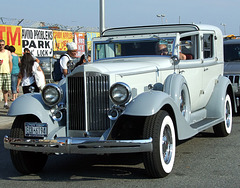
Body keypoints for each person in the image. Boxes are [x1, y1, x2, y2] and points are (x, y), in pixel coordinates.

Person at [0, 39, 12, 109]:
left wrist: (10, 71)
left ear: (4, 45)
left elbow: (10, 62)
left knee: (6, 89)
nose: (1, 46)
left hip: (6, 72)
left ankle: (6, 103)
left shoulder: (8, 52)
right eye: (0, 45)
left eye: (2, 45)